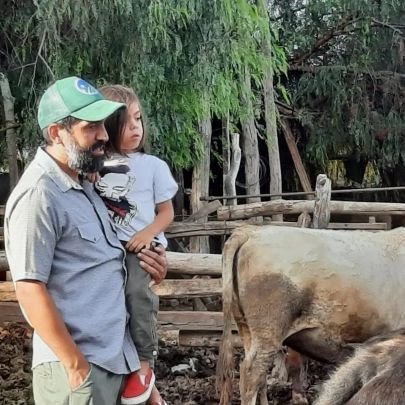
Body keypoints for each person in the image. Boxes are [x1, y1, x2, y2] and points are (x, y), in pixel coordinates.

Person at [4, 76, 168, 405]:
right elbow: (28, 287)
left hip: (115, 361)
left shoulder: (87, 187)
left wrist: (154, 270)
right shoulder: (40, 194)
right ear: (56, 133)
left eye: (102, 126)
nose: (104, 136)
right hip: (77, 371)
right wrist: (76, 368)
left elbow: (107, 274)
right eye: (90, 127)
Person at [94, 84, 178, 405]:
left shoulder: (153, 165)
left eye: (139, 119)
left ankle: (145, 363)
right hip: (108, 250)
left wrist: (147, 234)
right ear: (109, 127)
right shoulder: (95, 166)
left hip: (141, 249)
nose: (136, 129)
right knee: (114, 305)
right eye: (127, 123)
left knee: (137, 298)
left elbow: (166, 211)